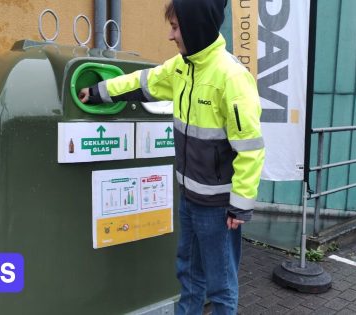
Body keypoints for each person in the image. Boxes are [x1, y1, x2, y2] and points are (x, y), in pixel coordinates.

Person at [78, 0, 264, 313]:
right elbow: (140, 82)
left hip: (219, 209)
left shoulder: (231, 77)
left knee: (221, 288)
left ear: (196, 27)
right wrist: (98, 91)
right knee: (188, 278)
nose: (170, 35)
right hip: (189, 200)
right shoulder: (182, 67)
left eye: (176, 27)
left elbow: (250, 148)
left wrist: (240, 206)